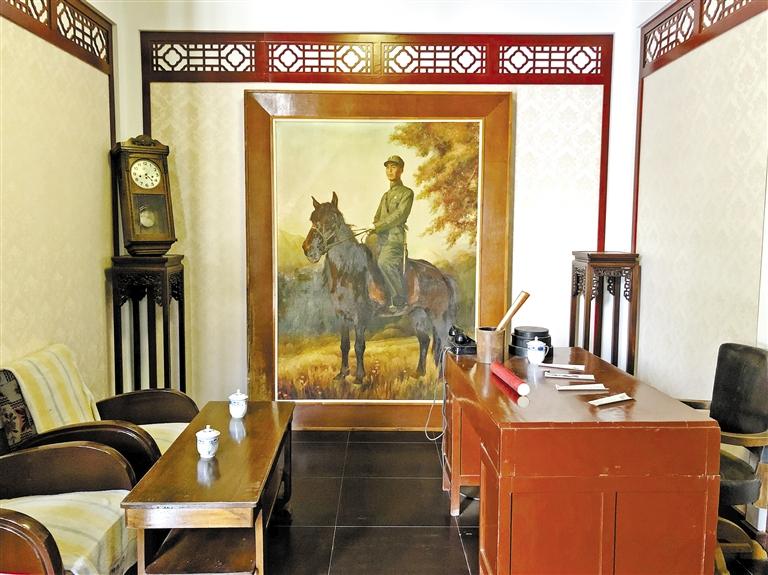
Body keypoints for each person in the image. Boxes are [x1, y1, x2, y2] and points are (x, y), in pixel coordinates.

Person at [367, 155, 414, 312]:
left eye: (393, 167)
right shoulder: (385, 196)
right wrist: (372, 228)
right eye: (387, 167)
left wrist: (378, 226)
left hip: (394, 240)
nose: (389, 170)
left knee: (384, 263)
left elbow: (400, 215)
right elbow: (377, 217)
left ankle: (400, 301)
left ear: (401, 170)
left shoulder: (407, 193)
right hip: (379, 240)